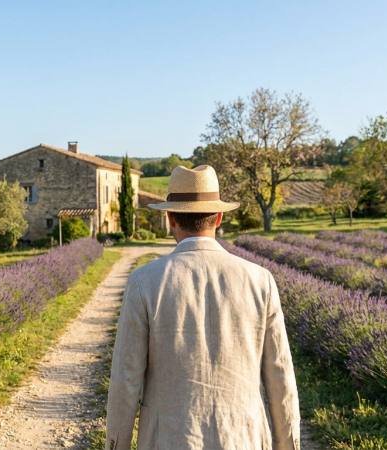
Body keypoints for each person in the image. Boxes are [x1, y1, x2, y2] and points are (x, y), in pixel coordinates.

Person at [105, 165, 300, 450]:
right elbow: (280, 377)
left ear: (170, 218)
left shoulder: (144, 282)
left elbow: (125, 379)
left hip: (168, 439)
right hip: (242, 437)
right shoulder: (260, 281)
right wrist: (289, 445)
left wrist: (115, 445)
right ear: (219, 217)